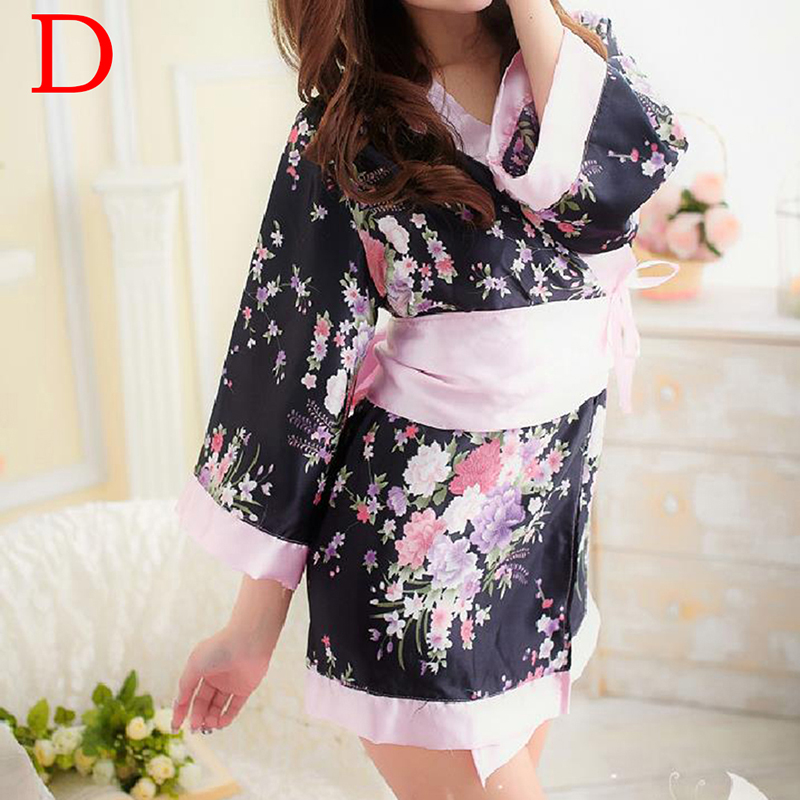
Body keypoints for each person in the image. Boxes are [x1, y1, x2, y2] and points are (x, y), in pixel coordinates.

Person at [170, 1, 689, 797]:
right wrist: (250, 629)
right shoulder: (345, 137)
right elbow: (296, 381)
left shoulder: (579, 62)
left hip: (538, 555)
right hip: (412, 575)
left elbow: (618, 180)